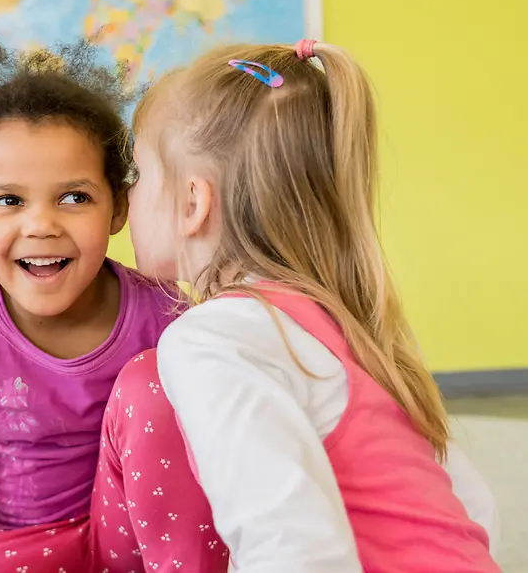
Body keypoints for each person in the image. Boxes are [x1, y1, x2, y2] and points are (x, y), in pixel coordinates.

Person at [125, 39, 501, 571]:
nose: (128, 196)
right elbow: (472, 512)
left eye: (138, 174)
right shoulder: (347, 321)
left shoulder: (211, 337)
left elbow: (293, 547)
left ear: (192, 202)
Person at [0, 40, 226, 573]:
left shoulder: (170, 315)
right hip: (21, 547)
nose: (41, 225)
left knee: (155, 385)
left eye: (74, 197)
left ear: (118, 208)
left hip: (139, 548)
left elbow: (207, 470)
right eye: (8, 200)